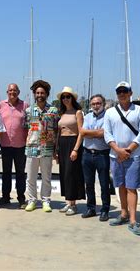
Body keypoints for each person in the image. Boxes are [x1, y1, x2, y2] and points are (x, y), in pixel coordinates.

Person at [104, 81, 140, 236]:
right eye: (119, 91)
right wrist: (117, 150)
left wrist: (128, 151)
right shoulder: (110, 112)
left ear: (131, 92)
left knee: (131, 187)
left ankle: (133, 220)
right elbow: (107, 133)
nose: (122, 93)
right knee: (120, 186)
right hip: (115, 155)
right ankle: (123, 214)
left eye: (125, 90)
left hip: (133, 155)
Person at [24, 80, 59, 213]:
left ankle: (46, 201)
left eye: (42, 93)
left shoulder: (53, 111)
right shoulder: (28, 110)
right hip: (31, 147)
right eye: (37, 93)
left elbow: (56, 130)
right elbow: (25, 128)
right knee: (31, 177)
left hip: (47, 148)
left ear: (47, 94)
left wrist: (56, 149)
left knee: (46, 177)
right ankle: (32, 200)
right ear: (34, 94)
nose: (40, 95)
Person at [0, 83, 29, 209]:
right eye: (10, 90)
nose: (12, 93)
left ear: (18, 92)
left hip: (21, 145)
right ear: (7, 92)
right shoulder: (1, 105)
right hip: (5, 144)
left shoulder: (25, 105)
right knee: (6, 172)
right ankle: (5, 197)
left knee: (20, 173)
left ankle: (21, 198)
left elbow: (29, 122)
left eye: (15, 90)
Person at [80, 94, 111, 221]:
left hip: (102, 154)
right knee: (89, 184)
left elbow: (104, 133)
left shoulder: (108, 117)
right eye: (93, 104)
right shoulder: (87, 116)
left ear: (103, 104)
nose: (95, 106)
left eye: (98, 103)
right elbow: (83, 133)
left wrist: (91, 133)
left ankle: (105, 210)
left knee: (104, 184)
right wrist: (96, 133)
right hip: (87, 153)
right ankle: (91, 208)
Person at [57, 87, 85, 216]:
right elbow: (59, 131)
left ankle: (74, 204)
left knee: (71, 173)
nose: (65, 99)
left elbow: (81, 132)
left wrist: (75, 149)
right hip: (62, 143)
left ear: (72, 98)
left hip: (72, 142)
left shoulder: (78, 112)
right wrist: (56, 150)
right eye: (63, 97)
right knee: (64, 173)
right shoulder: (61, 113)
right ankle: (68, 202)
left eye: (68, 96)